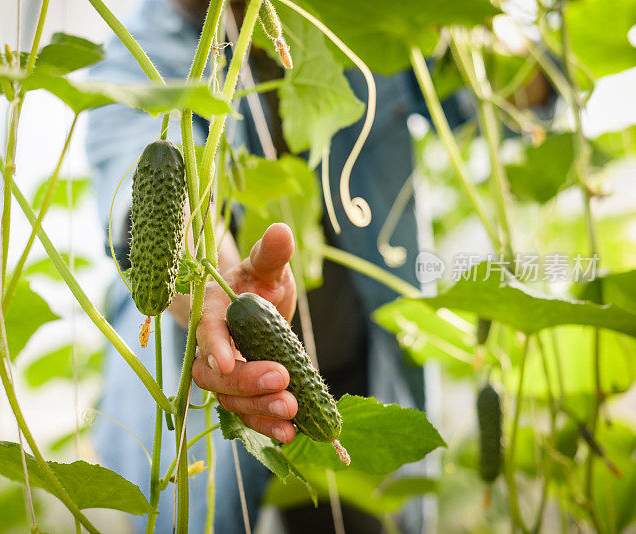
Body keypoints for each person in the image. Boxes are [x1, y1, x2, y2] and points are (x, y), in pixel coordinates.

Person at [85, 0, 437, 531]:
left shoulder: (362, 19)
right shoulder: (136, 55)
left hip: (355, 369)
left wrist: (530, 77)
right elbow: (149, 198)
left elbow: (480, 90)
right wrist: (209, 285)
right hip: (215, 391)